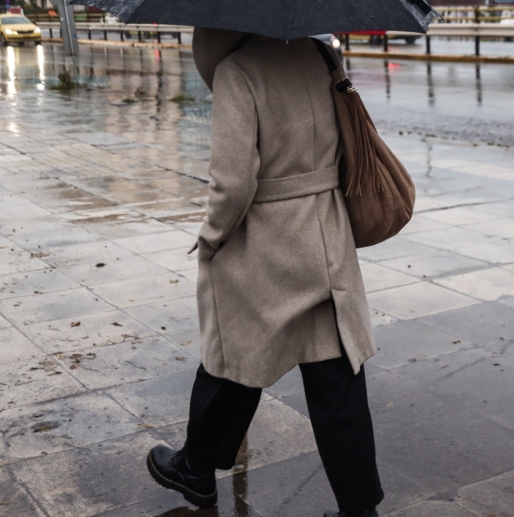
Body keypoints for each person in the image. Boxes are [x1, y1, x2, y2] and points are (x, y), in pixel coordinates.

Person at [147, 28, 383, 517]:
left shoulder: (238, 73)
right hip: (326, 234)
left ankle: (196, 469)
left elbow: (232, 185)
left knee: (235, 358)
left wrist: (210, 239)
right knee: (336, 377)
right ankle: (359, 509)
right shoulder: (320, 56)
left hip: (268, 242)